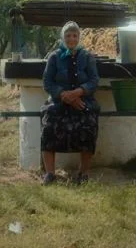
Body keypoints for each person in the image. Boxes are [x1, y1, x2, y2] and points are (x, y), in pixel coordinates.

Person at [40, 21, 100, 184]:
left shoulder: (87, 57)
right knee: (49, 126)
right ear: (63, 37)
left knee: (88, 125)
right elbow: (47, 82)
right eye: (68, 36)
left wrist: (78, 92)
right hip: (58, 102)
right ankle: (50, 174)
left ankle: (83, 173)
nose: (71, 39)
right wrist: (63, 95)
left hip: (83, 101)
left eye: (74, 35)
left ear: (79, 37)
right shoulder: (54, 57)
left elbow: (94, 81)